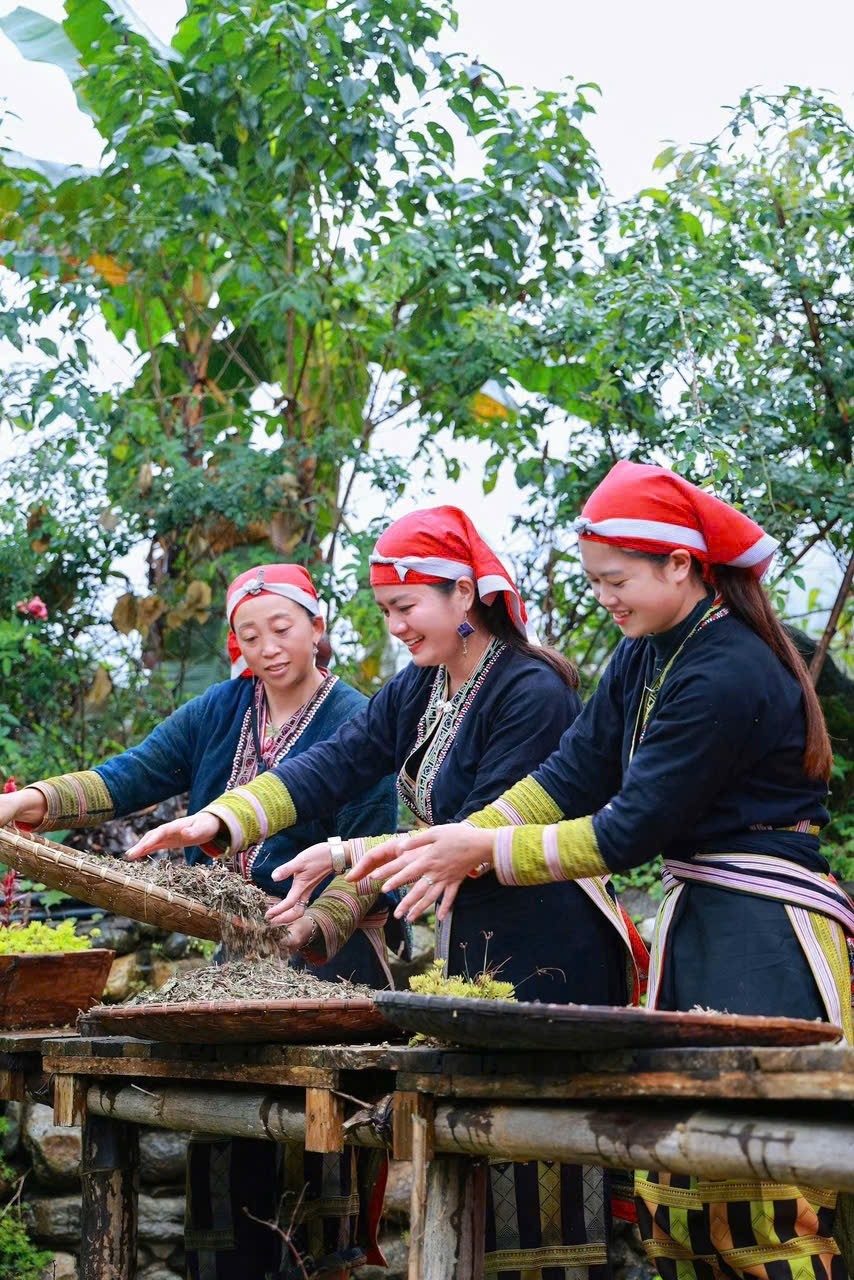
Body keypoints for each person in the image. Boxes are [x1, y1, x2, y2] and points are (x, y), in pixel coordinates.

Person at [350, 462, 854, 1280]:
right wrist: (453, 840)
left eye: (616, 580)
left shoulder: (727, 668)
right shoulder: (644, 654)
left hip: (764, 935)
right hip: (700, 922)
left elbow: (631, 829)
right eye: (595, 583)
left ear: (681, 565)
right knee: (681, 1187)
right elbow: (568, 777)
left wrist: (477, 851)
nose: (605, 599)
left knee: (767, 1186)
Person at [125, 505, 640, 1280]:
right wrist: (219, 820)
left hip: (552, 942)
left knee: (547, 1167)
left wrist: (342, 854)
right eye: (386, 612)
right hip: (480, 947)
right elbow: (334, 763)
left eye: (406, 607)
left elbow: (478, 837)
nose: (396, 627)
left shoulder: (529, 692)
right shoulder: (423, 689)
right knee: (489, 1159)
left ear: (463, 594)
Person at [0, 562, 399, 1280]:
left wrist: (309, 927)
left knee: (316, 1139)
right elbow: (129, 775)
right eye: (250, 635)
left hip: (330, 968)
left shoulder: (358, 722)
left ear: (318, 626)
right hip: (238, 962)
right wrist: (25, 801)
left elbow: (368, 866)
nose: (269, 646)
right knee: (222, 1127)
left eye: (282, 628)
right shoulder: (221, 710)